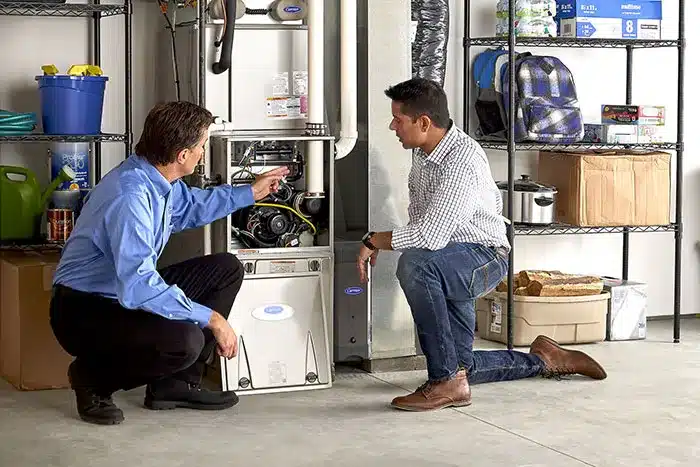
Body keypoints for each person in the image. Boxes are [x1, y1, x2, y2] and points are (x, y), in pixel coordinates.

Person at [356, 78, 607, 412]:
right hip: (448, 257)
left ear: (424, 123)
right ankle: (545, 359)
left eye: (398, 120)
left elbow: (428, 236)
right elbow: (424, 225)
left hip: (482, 257)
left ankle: (445, 382)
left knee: (415, 265)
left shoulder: (461, 161)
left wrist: (375, 240)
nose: (392, 126)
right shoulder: (423, 153)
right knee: (463, 366)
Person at [50, 101, 289, 425]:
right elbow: (137, 287)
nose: (203, 152)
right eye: (202, 145)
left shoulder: (156, 180)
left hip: (120, 291)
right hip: (84, 310)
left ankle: (174, 385)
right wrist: (213, 319)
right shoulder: (130, 197)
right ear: (183, 155)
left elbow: (192, 206)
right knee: (184, 341)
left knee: (225, 269)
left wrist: (250, 193)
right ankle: (92, 377)